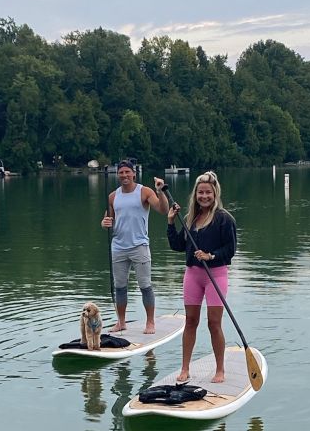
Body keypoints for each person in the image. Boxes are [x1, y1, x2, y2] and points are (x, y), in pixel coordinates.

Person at [167, 170, 236, 383]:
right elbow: (178, 246)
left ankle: (220, 370)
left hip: (215, 275)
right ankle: (185, 368)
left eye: (208, 192)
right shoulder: (191, 218)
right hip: (193, 275)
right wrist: (170, 222)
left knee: (214, 323)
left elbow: (230, 250)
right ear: (195, 195)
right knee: (190, 321)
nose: (204, 196)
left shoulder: (224, 219)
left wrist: (210, 256)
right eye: (200, 193)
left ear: (215, 194)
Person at [101, 161, 168, 333]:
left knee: (145, 285)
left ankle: (150, 323)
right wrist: (104, 222)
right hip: (118, 247)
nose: (124, 175)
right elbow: (109, 219)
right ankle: (121, 322)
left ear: (133, 174)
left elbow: (163, 209)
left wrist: (160, 191)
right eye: (121, 172)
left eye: (127, 172)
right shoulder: (112, 197)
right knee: (120, 287)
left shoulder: (144, 192)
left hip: (139, 245)